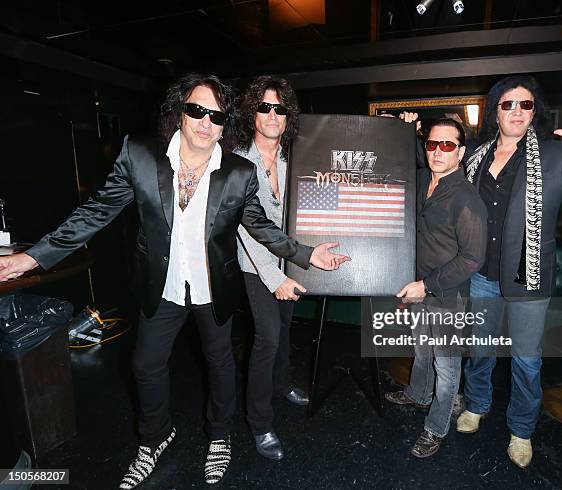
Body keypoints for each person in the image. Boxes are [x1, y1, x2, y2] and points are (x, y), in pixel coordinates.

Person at [0, 73, 350, 487]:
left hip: (212, 289)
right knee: (145, 366)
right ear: (179, 111)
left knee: (220, 367)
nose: (206, 122)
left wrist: (308, 254)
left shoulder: (238, 172)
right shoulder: (140, 155)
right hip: (161, 287)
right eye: (196, 110)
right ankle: (155, 438)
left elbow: (260, 226)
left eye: (216, 116)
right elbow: (95, 213)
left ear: (226, 124)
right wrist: (32, 258)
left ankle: (219, 436)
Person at [455, 76, 562, 468]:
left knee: (526, 360)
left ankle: (521, 429)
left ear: (534, 111)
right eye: (508, 104)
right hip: (480, 273)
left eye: (525, 105)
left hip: (529, 276)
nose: (517, 111)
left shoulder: (557, 155)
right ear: (495, 111)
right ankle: (476, 403)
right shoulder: (475, 155)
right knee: (480, 350)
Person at [385, 118, 487, 458]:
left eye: (447, 145)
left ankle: (436, 427)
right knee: (421, 349)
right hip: (418, 287)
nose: (438, 151)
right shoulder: (421, 181)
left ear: (460, 151)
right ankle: (417, 393)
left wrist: (425, 286)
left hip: (446, 295)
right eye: (432, 144)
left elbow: (472, 258)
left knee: (446, 368)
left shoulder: (467, 199)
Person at [233, 76, 308, 461]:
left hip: (287, 260)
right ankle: (260, 424)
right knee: (267, 338)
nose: (272, 114)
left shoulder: (290, 158)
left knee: (285, 328)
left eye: (279, 107)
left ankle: (283, 384)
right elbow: (246, 227)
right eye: (264, 106)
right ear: (252, 113)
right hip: (256, 266)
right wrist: (275, 278)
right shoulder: (238, 162)